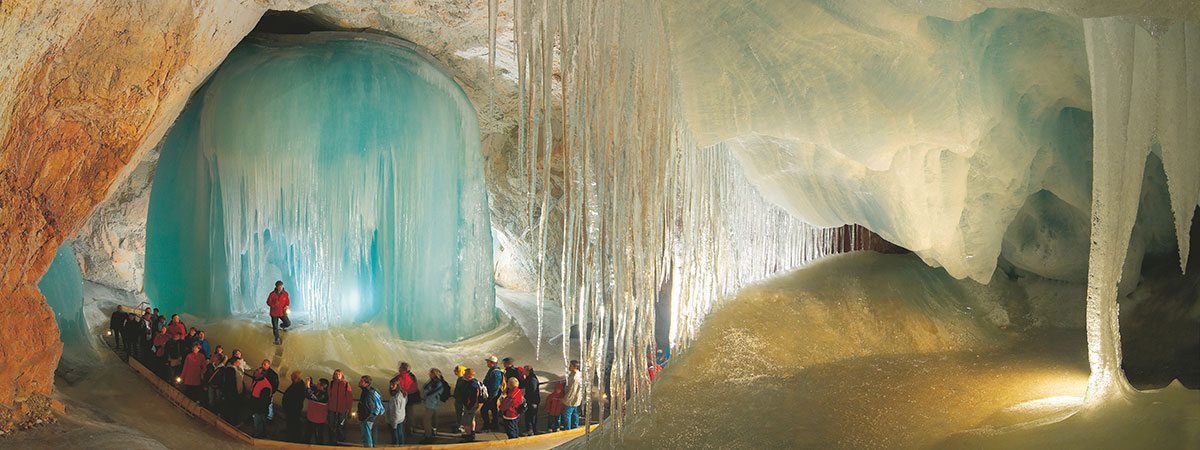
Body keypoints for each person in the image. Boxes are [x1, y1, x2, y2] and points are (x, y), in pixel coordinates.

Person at [390, 362, 421, 436]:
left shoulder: (399, 377)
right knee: (409, 413)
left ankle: (404, 429)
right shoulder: (412, 376)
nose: (399, 368)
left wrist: (403, 391)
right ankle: (409, 429)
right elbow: (415, 387)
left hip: (404, 397)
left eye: (400, 367)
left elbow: (397, 385)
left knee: (402, 413)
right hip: (411, 396)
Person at [419, 368, 449, 444]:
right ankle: (432, 433)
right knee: (433, 419)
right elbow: (426, 389)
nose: (429, 374)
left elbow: (430, 392)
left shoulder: (438, 383)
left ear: (435, 374)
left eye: (431, 373)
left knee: (426, 420)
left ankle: (428, 436)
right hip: (432, 403)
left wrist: (426, 392)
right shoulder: (432, 382)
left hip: (432, 403)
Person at [456, 368, 483, 442]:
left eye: (465, 373)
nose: (463, 374)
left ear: (469, 375)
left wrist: (469, 404)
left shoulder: (472, 384)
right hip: (473, 405)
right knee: (472, 419)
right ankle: (472, 433)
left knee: (466, 421)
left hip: (470, 405)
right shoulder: (475, 382)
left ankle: (469, 436)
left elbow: (474, 395)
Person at [327, 369, 353, 444]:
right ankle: (332, 441)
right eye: (336, 374)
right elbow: (328, 396)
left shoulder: (346, 385)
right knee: (331, 425)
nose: (337, 375)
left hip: (342, 409)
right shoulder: (331, 384)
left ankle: (341, 441)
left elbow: (349, 398)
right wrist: (327, 408)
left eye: (339, 374)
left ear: (342, 375)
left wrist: (349, 410)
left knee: (341, 425)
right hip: (332, 408)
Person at [216, 358, 245, 423]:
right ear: (234, 363)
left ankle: (227, 419)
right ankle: (230, 420)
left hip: (231, 392)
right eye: (238, 362)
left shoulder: (234, 369)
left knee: (230, 406)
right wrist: (237, 392)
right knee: (231, 406)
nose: (240, 363)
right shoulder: (231, 370)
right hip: (232, 393)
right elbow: (232, 383)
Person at [357, 375, 383, 448]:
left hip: (367, 418)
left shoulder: (368, 393)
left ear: (366, 383)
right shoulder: (368, 391)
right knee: (367, 436)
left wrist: (365, 418)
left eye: (361, 381)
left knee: (366, 436)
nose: (359, 382)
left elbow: (369, 407)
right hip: (368, 417)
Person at [282, 371, 307, 442]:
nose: (290, 376)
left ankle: (294, 438)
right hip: (290, 408)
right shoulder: (295, 383)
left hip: (294, 409)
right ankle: (289, 432)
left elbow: (296, 398)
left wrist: (289, 406)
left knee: (294, 422)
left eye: (292, 375)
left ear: (296, 377)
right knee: (290, 421)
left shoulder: (300, 386)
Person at [481, 356, 503, 431]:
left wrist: (491, 397)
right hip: (493, 395)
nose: (487, 363)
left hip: (492, 395)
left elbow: (495, 386)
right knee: (493, 410)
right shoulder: (493, 370)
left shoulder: (495, 372)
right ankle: (494, 425)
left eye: (488, 362)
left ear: (492, 363)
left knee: (483, 410)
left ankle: (487, 426)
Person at [250, 368, 274, 438]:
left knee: (258, 422)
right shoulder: (257, 380)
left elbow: (264, 401)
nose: (255, 371)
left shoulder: (265, 385)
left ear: (261, 375)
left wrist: (257, 410)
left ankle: (258, 436)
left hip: (259, 409)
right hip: (256, 406)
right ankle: (261, 433)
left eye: (257, 371)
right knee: (259, 422)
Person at [266, 280, 291, 345]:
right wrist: (274, 304)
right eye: (279, 286)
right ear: (276, 287)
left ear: (282, 286)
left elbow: (287, 302)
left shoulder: (285, 293)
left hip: (282, 312)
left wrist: (287, 306)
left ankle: (282, 326)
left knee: (288, 323)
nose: (280, 288)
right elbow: (268, 302)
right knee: (275, 327)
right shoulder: (272, 294)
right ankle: (277, 339)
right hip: (274, 313)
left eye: (281, 286)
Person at [306, 378, 330, 444]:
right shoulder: (318, 390)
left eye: (319, 383)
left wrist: (308, 386)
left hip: (318, 420)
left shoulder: (323, 395)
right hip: (312, 418)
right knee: (308, 434)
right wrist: (310, 380)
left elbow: (310, 396)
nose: (317, 384)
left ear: (323, 386)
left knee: (318, 437)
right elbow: (313, 386)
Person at [386, 373, 407, 446]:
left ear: (397, 385)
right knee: (400, 434)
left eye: (393, 385)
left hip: (396, 419)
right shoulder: (401, 394)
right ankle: (401, 446)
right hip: (401, 418)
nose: (391, 386)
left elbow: (396, 410)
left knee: (396, 436)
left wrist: (394, 422)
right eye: (390, 385)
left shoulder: (397, 397)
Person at [563, 360, 583, 430]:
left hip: (572, 399)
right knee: (575, 413)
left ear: (575, 367)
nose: (569, 367)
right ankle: (575, 426)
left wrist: (565, 399)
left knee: (567, 414)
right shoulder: (578, 374)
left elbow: (572, 390)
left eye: (570, 366)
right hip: (577, 398)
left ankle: (567, 429)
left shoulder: (575, 378)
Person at [520, 366, 541, 435]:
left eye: (524, 371)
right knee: (530, 415)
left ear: (527, 371)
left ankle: (531, 430)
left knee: (530, 416)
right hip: (532, 400)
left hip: (532, 401)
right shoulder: (530, 378)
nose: (523, 372)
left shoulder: (532, 379)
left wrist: (526, 398)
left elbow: (533, 391)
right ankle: (531, 430)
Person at [451, 365, 467, 433]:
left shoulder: (463, 379)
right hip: (458, 399)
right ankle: (459, 425)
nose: (455, 372)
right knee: (459, 413)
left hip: (461, 400)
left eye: (457, 371)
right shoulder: (460, 379)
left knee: (461, 413)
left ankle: (461, 427)